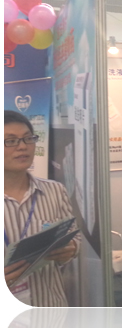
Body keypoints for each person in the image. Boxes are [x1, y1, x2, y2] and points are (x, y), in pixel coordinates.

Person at [4, 110, 80, 306]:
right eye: (10, 141)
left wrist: (71, 249)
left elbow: (73, 237)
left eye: (28, 138)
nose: (22, 146)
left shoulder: (55, 191)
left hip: (49, 310)